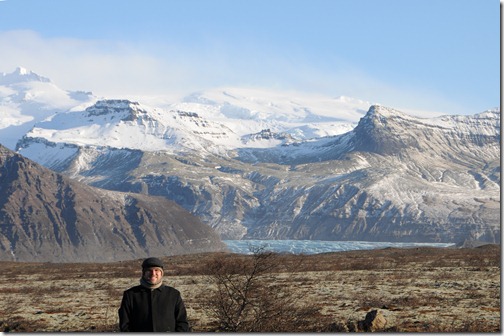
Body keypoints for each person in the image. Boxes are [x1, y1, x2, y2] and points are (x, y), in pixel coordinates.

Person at [118, 257, 189, 332]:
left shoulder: (173, 294)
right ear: (143, 273)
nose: (153, 274)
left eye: (156, 270)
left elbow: (182, 323)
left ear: (161, 273)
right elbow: (124, 324)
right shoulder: (131, 295)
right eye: (149, 270)